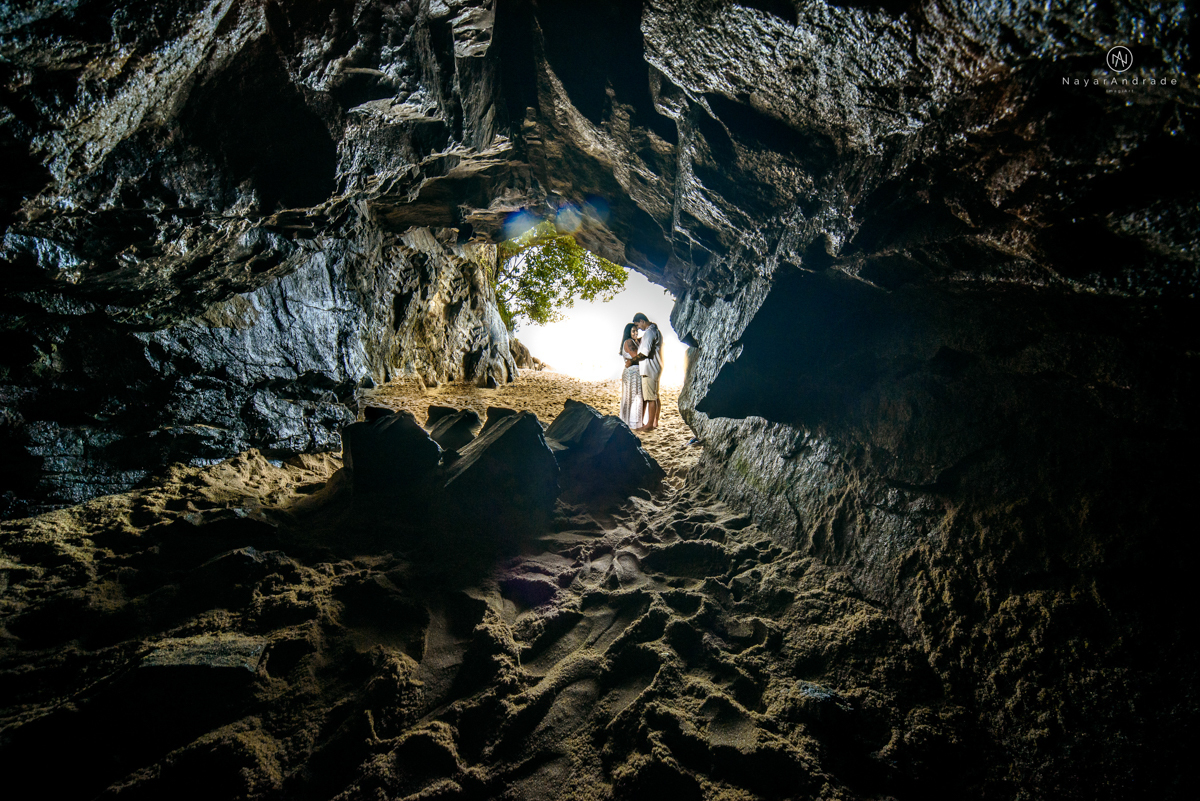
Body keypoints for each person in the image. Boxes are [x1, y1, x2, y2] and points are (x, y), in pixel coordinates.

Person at [626, 312, 662, 430]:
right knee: (655, 396)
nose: (638, 328)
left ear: (642, 321)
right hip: (655, 367)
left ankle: (649, 424)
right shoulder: (655, 331)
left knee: (650, 397)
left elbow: (644, 353)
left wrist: (632, 361)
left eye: (638, 325)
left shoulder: (649, 333)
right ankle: (654, 422)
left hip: (649, 368)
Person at [618, 323, 644, 429]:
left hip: (635, 373)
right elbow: (636, 356)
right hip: (632, 373)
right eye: (633, 331)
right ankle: (631, 423)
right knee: (633, 398)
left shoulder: (634, 342)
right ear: (628, 332)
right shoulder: (628, 342)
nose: (636, 333)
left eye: (636, 331)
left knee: (634, 398)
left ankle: (632, 423)